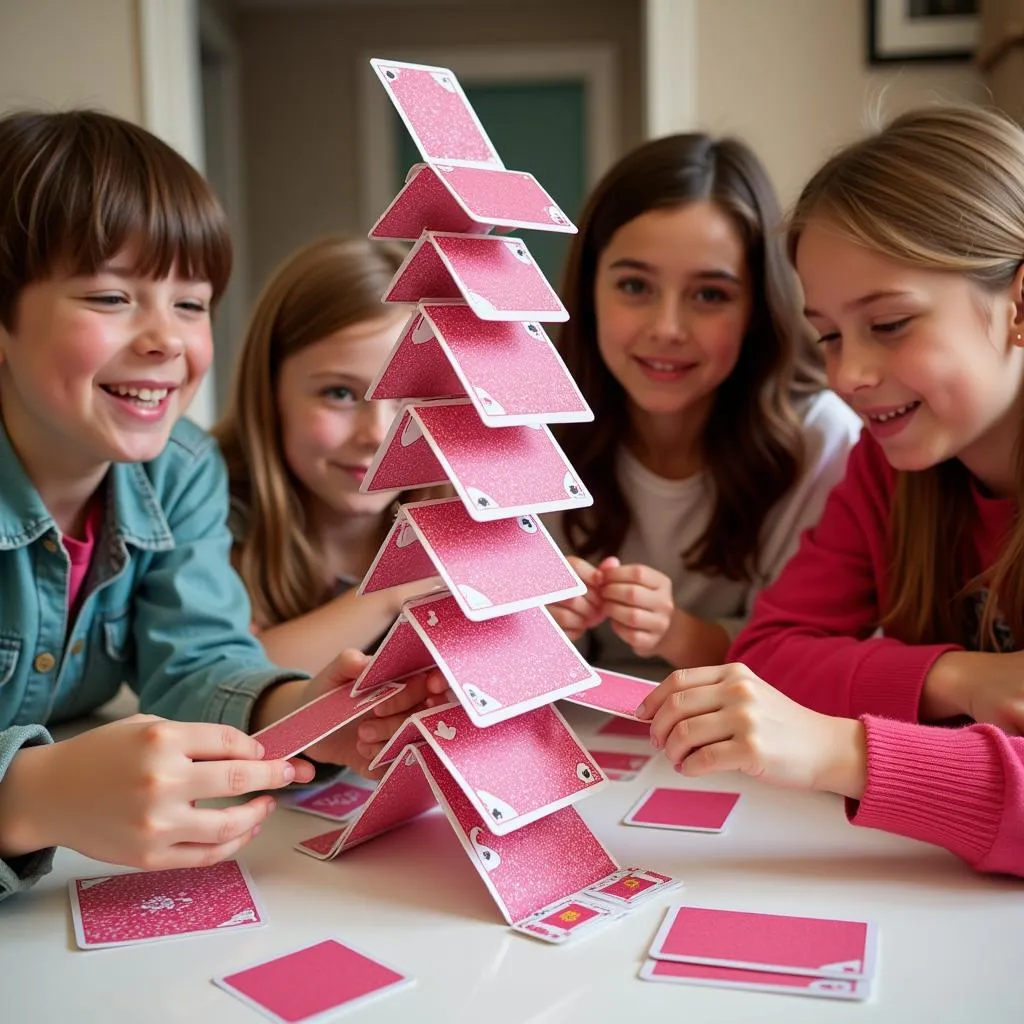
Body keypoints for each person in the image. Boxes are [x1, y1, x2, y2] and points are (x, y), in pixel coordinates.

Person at [0, 110, 440, 902]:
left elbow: (198, 663)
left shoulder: (180, 471)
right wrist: (27, 796)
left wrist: (302, 708)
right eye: (109, 296)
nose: (166, 340)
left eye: (192, 304)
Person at [640, 106, 1024, 877]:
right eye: (830, 335)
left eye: (889, 323)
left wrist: (842, 750)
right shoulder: (890, 468)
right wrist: (956, 678)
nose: (848, 376)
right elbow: (769, 654)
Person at [546, 133, 861, 680]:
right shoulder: (528, 428)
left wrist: (678, 632)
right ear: (589, 289)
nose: (667, 329)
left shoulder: (822, 440)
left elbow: (810, 661)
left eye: (710, 295)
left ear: (759, 308)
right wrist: (538, 628)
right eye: (634, 285)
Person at [214, 237, 435, 676]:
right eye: (340, 393)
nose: (376, 435)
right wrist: (395, 589)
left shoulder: (464, 509)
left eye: (408, 400)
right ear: (270, 391)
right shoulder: (207, 513)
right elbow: (220, 680)